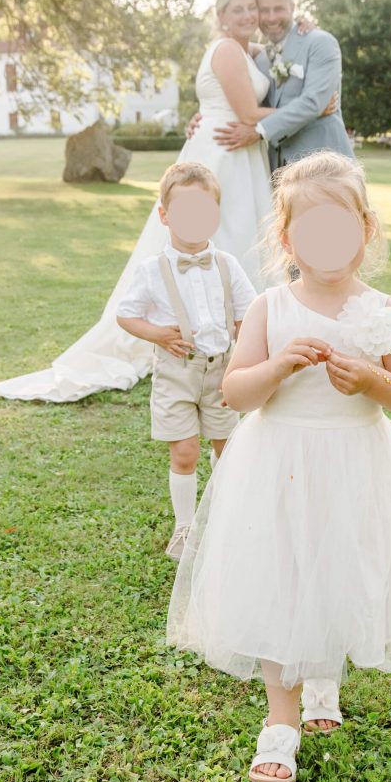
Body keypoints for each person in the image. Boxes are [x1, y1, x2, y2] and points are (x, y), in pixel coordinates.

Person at [167, 151, 391, 782]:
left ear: (366, 230)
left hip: (354, 468)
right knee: (282, 581)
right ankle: (280, 720)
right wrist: (277, 366)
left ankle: (324, 681)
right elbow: (235, 393)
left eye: (341, 228)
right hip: (278, 468)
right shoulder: (271, 308)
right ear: (287, 239)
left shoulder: (383, 310)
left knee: (337, 573)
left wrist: (374, 380)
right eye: (312, 231)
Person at [0, 0, 329, 403]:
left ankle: (238, 331)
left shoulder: (248, 50)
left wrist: (302, 25)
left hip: (238, 151)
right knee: (224, 234)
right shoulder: (225, 49)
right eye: (237, 9)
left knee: (236, 237)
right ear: (221, 16)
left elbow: (274, 48)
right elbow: (245, 111)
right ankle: (222, 334)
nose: (248, 16)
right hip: (224, 151)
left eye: (251, 9)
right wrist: (313, 108)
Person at [116, 162, 256, 560]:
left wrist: (242, 361)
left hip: (221, 370)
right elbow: (126, 315)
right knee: (184, 452)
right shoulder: (152, 270)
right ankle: (184, 526)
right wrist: (158, 334)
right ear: (164, 215)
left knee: (226, 446)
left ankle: (225, 514)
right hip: (176, 372)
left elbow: (247, 316)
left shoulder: (227, 264)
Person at [213, 0, 355, 172]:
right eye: (265, 10)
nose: (271, 18)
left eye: (278, 9)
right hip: (277, 172)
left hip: (326, 166)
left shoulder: (320, 43)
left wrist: (259, 132)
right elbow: (239, 97)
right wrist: (204, 115)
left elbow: (312, 103)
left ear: (293, 7)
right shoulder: (259, 58)